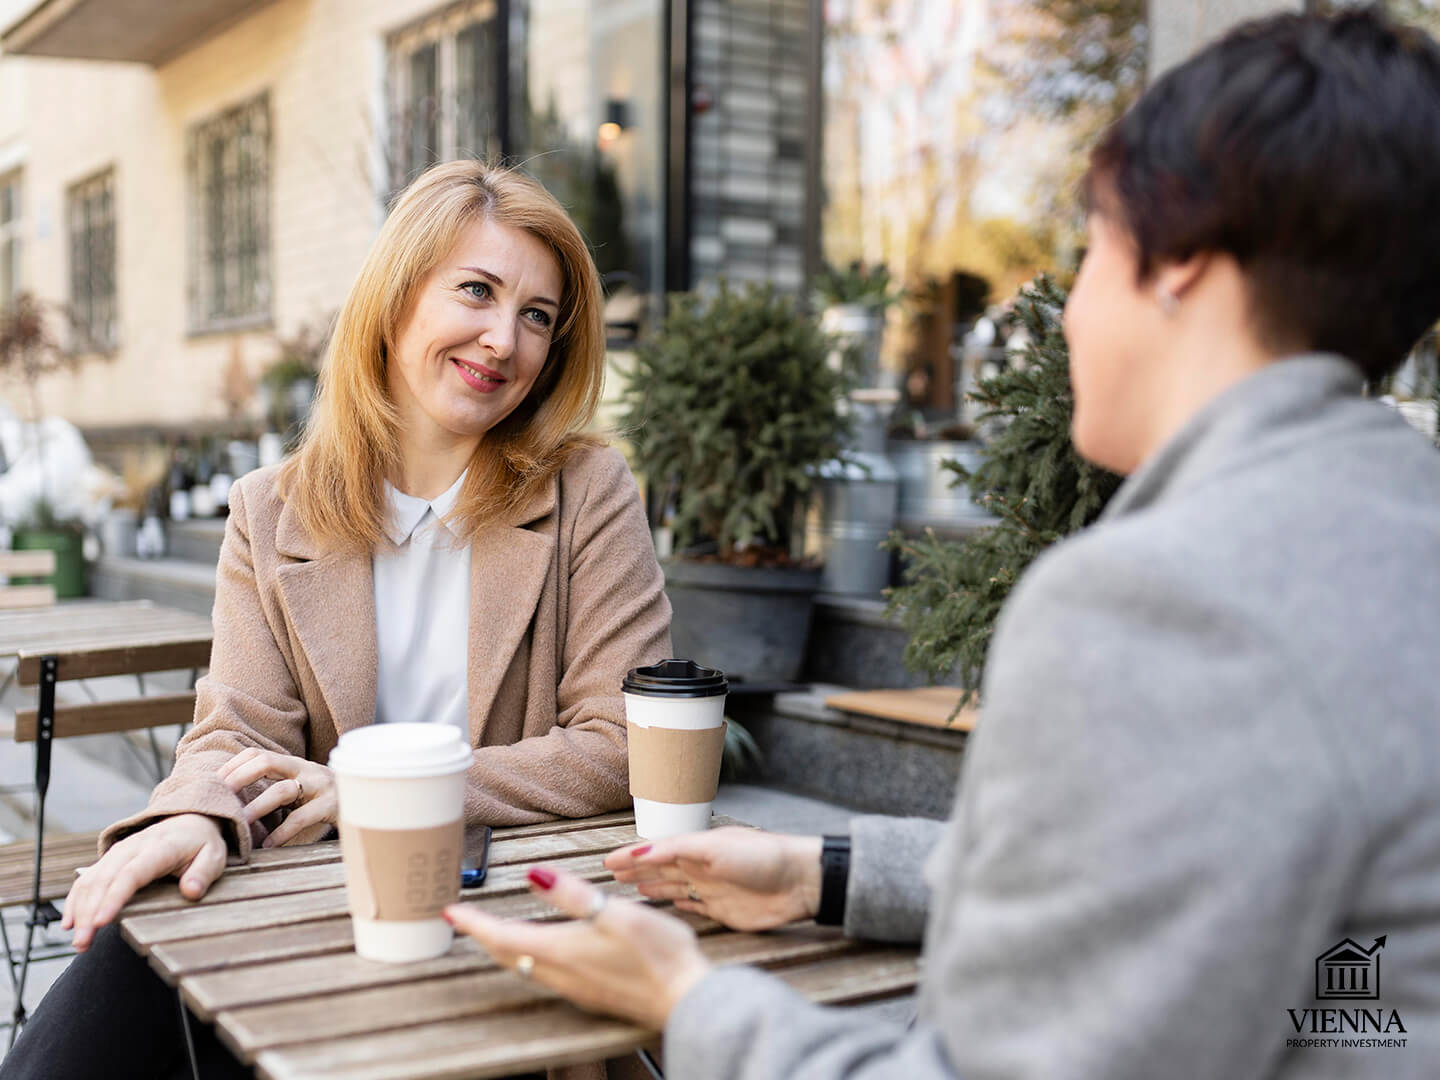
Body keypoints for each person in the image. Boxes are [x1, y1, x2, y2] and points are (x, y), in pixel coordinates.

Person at [450, 10, 1440, 1078]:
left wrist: (687, 1002)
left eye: (1092, 246)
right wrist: (820, 872)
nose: (1057, 311)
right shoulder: (1393, 529)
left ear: (1184, 262)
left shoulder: (1165, 598)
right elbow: (1182, 880)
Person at [3, 161, 670, 1079]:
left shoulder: (587, 492)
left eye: (537, 316)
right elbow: (236, 724)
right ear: (396, 299)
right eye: (476, 290)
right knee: (112, 982)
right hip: (316, 908)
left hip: (507, 922)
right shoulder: (270, 509)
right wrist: (195, 812)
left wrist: (386, 794)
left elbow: (626, 739)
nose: (503, 339)